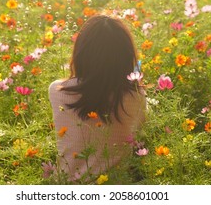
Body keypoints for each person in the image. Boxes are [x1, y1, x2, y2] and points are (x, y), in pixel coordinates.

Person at [48, 14, 146, 182]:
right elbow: (139, 138)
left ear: (81, 53)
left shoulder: (57, 91)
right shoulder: (136, 96)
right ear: (125, 56)